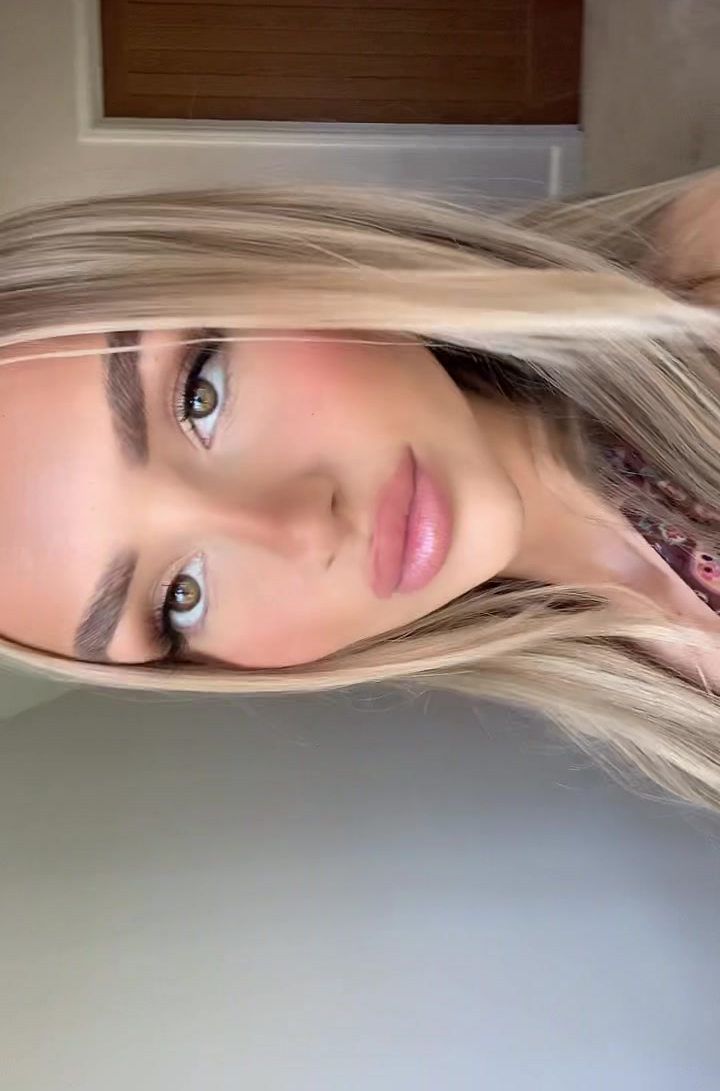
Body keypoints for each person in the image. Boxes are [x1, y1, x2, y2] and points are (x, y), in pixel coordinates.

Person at [1, 171, 720, 808]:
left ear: (265, 262)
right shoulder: (664, 713)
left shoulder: (701, 273)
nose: (298, 529)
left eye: (201, 395)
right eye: (178, 599)